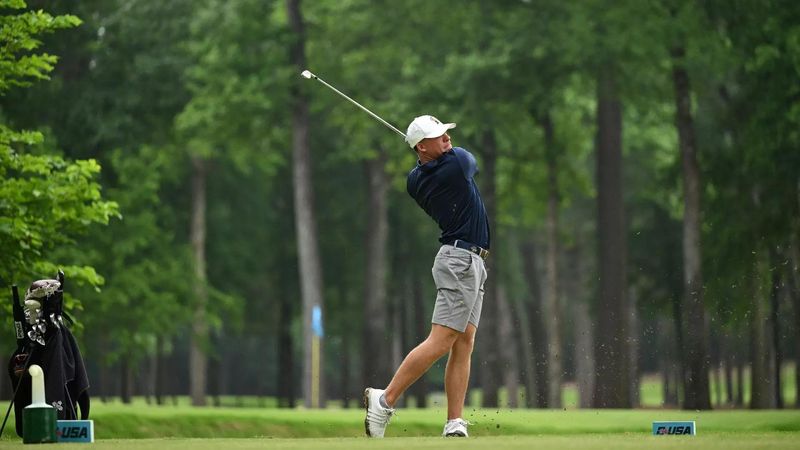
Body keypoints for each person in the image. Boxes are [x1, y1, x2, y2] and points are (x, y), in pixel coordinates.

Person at [364, 115, 490, 438]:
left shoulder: (415, 179)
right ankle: (386, 399)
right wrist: (441, 152)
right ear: (421, 146)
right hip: (460, 260)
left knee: (464, 341)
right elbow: (470, 159)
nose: (447, 137)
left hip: (471, 261)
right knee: (442, 339)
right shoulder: (457, 163)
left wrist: (428, 149)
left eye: (446, 132)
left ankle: (454, 421)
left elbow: (432, 163)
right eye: (438, 135)